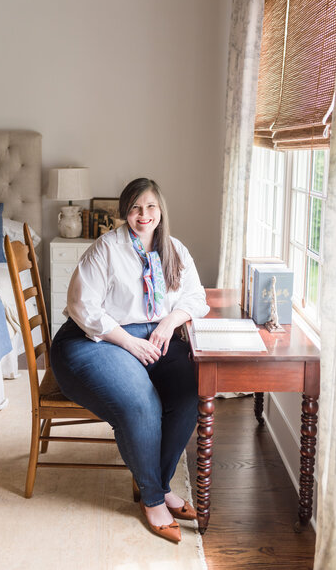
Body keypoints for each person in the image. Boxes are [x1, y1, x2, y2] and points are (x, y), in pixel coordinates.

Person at [50, 178, 209, 543]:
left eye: (150, 207)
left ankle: (161, 484)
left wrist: (170, 322)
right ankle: (152, 499)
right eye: (136, 207)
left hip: (153, 335)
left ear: (161, 211)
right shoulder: (105, 249)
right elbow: (82, 308)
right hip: (92, 340)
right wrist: (129, 343)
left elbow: (196, 297)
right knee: (141, 403)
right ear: (125, 211)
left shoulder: (176, 250)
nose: (143, 215)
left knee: (190, 387)